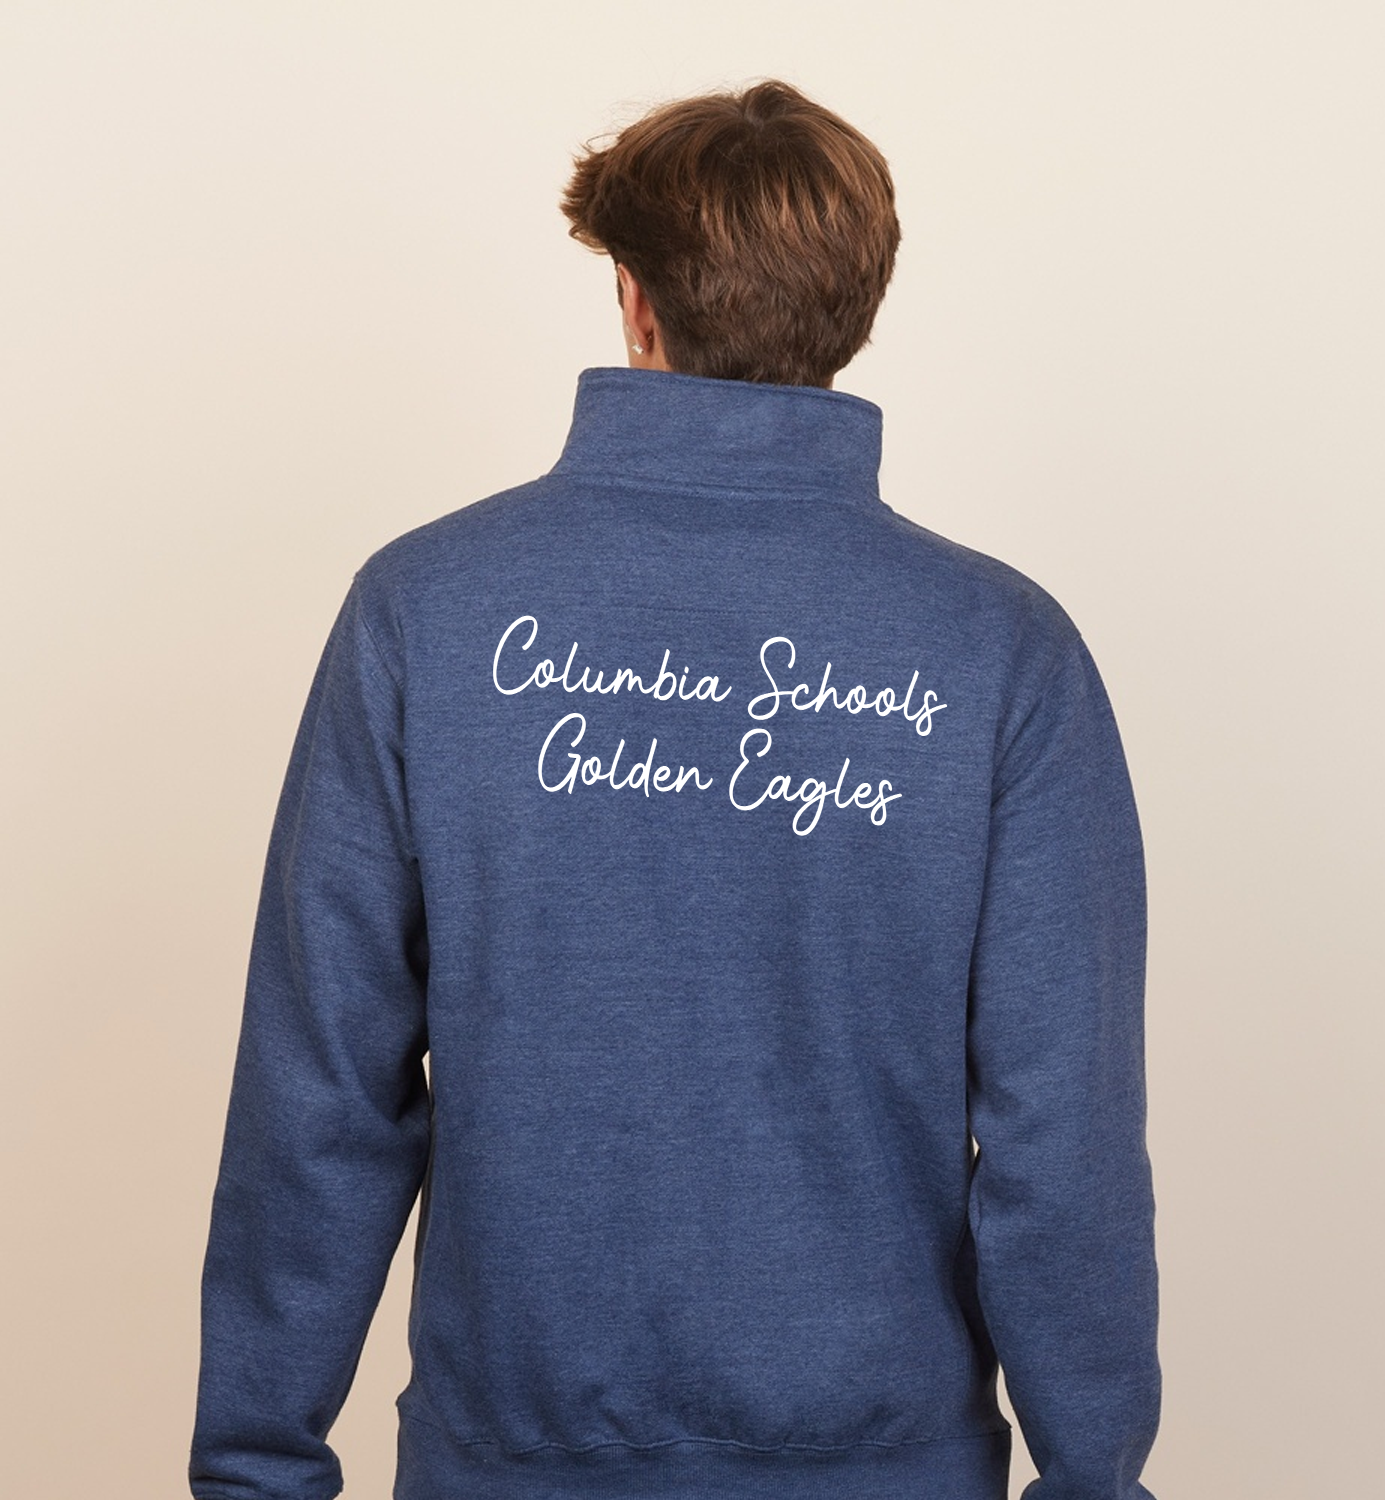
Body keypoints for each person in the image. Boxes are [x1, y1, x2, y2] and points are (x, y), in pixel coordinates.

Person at [189, 78, 1162, 1500]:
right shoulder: (1003, 652)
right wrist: (1096, 1478)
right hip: (885, 1465)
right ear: (856, 312)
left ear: (632, 300)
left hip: (505, 1461)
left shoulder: (426, 611)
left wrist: (253, 1467)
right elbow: (1060, 1141)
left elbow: (321, 1096)